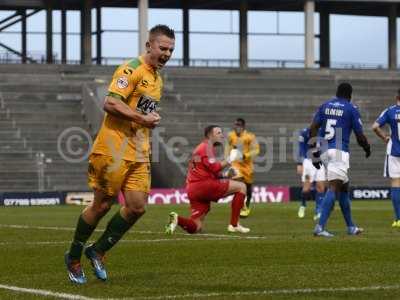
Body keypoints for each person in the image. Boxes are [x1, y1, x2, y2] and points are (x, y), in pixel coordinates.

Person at [64, 25, 175, 284]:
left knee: (137, 208)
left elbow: (142, 112)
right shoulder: (130, 69)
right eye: (163, 48)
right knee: (102, 205)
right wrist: (142, 118)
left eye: (171, 49)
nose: (167, 53)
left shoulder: (157, 78)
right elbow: (110, 102)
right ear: (149, 46)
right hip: (112, 150)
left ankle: (98, 250)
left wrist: (147, 120)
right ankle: (74, 256)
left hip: (139, 152)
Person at [310, 82, 371, 237]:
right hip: (338, 150)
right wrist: (366, 147)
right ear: (350, 95)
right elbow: (359, 135)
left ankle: (351, 227)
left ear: (337, 93)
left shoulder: (325, 105)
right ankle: (320, 227)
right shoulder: (351, 109)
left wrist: (313, 151)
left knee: (344, 187)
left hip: (324, 149)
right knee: (334, 187)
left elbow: (313, 127)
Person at [165, 125, 250, 234]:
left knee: (196, 226)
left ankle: (176, 219)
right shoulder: (207, 147)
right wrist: (230, 159)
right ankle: (234, 225)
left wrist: (225, 175)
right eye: (218, 133)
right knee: (241, 187)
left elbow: (208, 170)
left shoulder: (200, 148)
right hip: (204, 186)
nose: (222, 135)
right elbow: (215, 168)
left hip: (193, 189)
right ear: (210, 135)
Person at [372, 89, 400, 227]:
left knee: (395, 183)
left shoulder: (390, 111)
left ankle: (399, 219)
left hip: (394, 152)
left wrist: (384, 137)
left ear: (397, 97)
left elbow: (375, 126)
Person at [227, 118, 260, 217]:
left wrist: (246, 155)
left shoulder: (250, 137)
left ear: (243, 126)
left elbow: (256, 150)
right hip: (236, 165)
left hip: (247, 166)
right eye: (235, 124)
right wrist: (228, 158)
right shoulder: (231, 136)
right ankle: (242, 206)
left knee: (248, 189)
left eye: (239, 125)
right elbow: (228, 147)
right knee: (239, 183)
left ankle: (247, 205)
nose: (237, 127)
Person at [297, 127, 326, 220]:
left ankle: (318, 211)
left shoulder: (324, 131)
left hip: (320, 162)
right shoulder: (305, 132)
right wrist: (299, 164)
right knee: (306, 188)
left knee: (321, 187)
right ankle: (303, 205)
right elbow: (301, 148)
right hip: (308, 162)